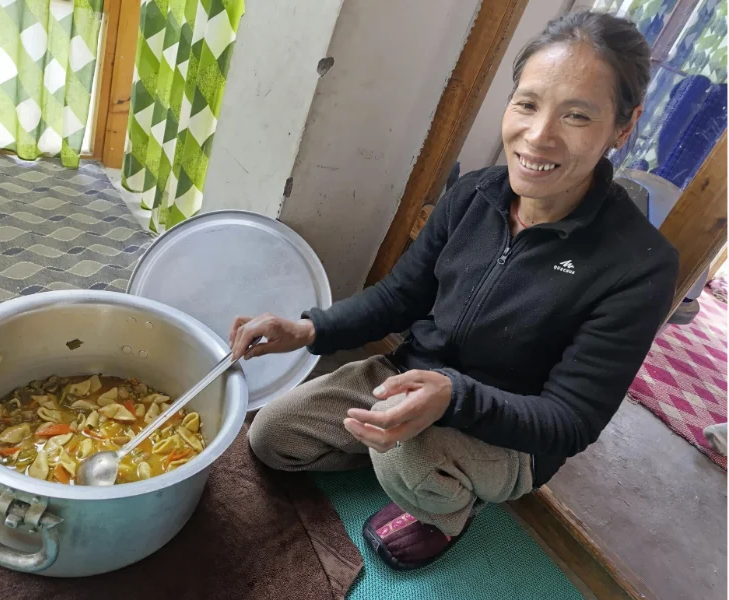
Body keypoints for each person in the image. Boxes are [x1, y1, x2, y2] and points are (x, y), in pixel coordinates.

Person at [230, 11, 679, 571]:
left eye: (578, 115)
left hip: (513, 433)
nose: (538, 136)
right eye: (527, 103)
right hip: (409, 376)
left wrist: (454, 397)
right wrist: (308, 328)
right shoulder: (473, 196)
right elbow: (399, 297)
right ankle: (402, 459)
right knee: (272, 438)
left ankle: (446, 510)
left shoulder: (639, 265)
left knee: (404, 462)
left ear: (622, 126)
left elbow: (572, 420)